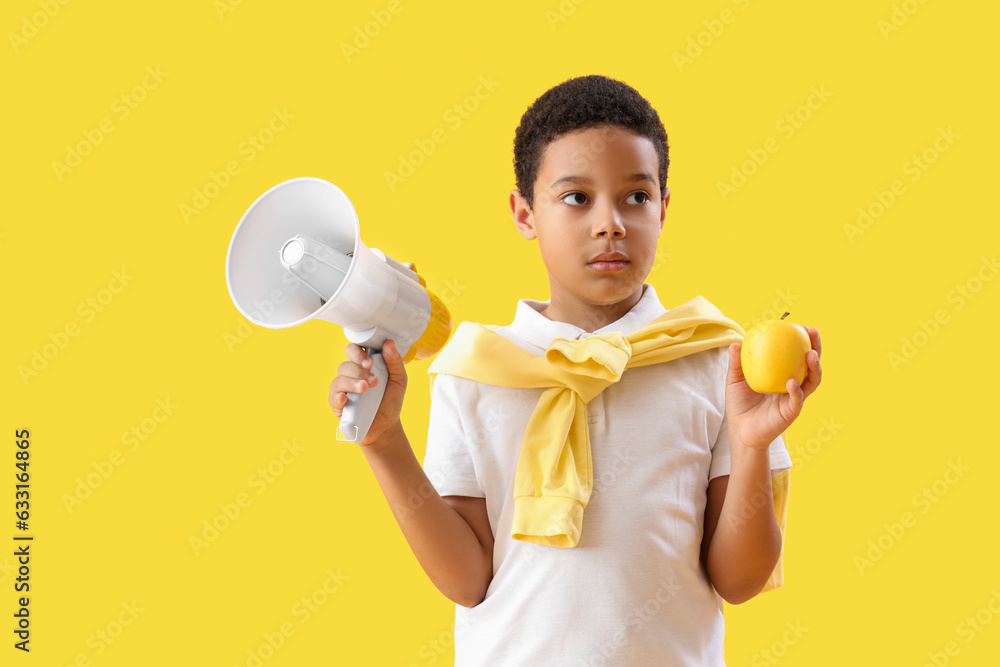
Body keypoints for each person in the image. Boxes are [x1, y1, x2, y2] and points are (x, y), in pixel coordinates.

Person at [329, 74, 823, 666]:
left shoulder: (717, 359)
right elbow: (467, 579)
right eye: (576, 198)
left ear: (664, 209)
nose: (609, 223)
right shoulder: (477, 368)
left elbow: (739, 581)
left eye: (636, 197)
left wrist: (751, 445)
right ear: (524, 213)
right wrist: (384, 441)